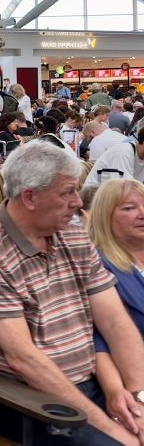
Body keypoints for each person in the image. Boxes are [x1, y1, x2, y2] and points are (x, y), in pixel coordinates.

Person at [0, 141, 144, 445]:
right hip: (24, 398)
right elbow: (24, 360)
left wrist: (137, 398)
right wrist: (114, 431)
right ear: (30, 197)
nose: (79, 202)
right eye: (67, 192)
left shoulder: (68, 230)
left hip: (91, 379)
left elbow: (115, 321)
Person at [85, 179, 144, 422]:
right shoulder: (98, 267)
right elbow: (97, 341)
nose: (142, 213)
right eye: (129, 208)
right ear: (104, 217)